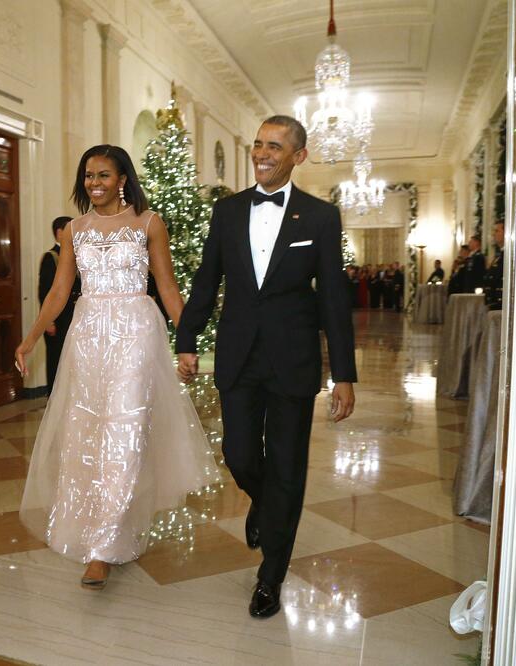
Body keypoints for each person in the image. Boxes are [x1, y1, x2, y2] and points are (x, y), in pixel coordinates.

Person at [176, 116, 357, 619]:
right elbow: (207, 279)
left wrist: (343, 373)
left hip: (292, 360)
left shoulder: (320, 217)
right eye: (258, 144)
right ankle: (264, 502)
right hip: (238, 356)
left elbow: (333, 299)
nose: (261, 153)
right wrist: (187, 339)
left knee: (287, 467)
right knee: (238, 454)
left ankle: (271, 575)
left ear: (298, 156)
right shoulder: (228, 211)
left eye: (274, 146)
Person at [15, 145, 219, 590]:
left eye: (104, 175)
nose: (94, 183)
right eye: (89, 175)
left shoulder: (149, 223)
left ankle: (103, 549)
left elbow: (167, 287)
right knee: (85, 433)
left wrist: (187, 343)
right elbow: (59, 292)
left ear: (122, 179)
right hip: (88, 336)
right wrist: (30, 338)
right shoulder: (75, 231)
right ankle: (92, 527)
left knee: (125, 432)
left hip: (136, 335)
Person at [37, 216, 82, 394]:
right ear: (59, 233)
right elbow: (45, 291)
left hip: (74, 316)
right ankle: (54, 398)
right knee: (56, 360)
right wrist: (48, 320)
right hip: (58, 319)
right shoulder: (51, 257)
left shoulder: (76, 256)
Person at [484, 222, 504, 310]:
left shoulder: (508, 256)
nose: (493, 234)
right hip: (494, 303)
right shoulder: (499, 255)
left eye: (497, 231)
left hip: (500, 304)